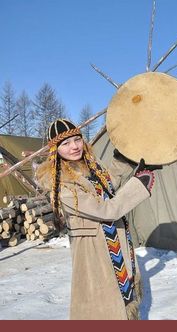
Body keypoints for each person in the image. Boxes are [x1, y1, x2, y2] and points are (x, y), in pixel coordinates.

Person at [36, 118, 155, 320]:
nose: (74, 147)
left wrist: (125, 158)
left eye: (77, 139)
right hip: (93, 254)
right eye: (65, 143)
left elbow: (109, 184)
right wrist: (139, 183)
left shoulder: (90, 167)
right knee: (101, 308)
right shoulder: (61, 184)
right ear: (55, 150)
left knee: (121, 302)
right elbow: (106, 210)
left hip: (115, 246)